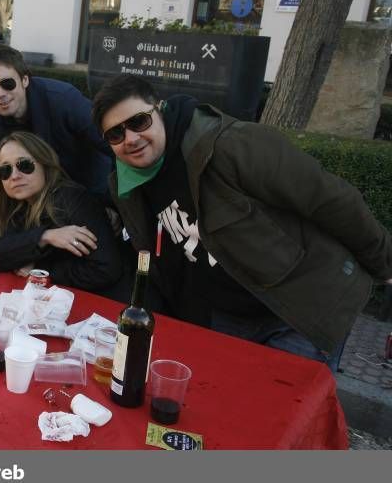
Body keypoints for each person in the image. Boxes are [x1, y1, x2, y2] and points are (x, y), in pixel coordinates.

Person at [91, 74, 392, 372]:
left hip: (292, 313)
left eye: (139, 121)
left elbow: (327, 198)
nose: (130, 138)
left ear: (160, 108)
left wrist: (384, 263)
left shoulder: (228, 144)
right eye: (115, 134)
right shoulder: (127, 187)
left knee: (284, 414)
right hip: (222, 318)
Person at [0, 132, 125, 296]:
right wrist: (45, 236)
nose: (15, 176)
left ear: (45, 164)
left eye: (24, 165)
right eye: (5, 170)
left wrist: (40, 271)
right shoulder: (21, 207)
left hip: (107, 307)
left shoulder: (72, 198)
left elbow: (106, 269)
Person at [0, 44, 113, 200]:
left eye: (7, 84)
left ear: (25, 80)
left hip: (90, 189)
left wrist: (114, 203)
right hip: (41, 195)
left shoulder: (65, 100)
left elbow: (113, 144)